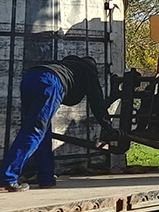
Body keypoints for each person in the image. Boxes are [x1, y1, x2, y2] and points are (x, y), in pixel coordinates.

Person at [1, 56, 107, 193]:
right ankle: (7, 179)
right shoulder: (88, 71)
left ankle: (46, 178)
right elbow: (97, 103)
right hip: (50, 82)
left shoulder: (67, 66)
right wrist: (107, 126)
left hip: (30, 77)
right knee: (34, 131)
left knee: (42, 132)